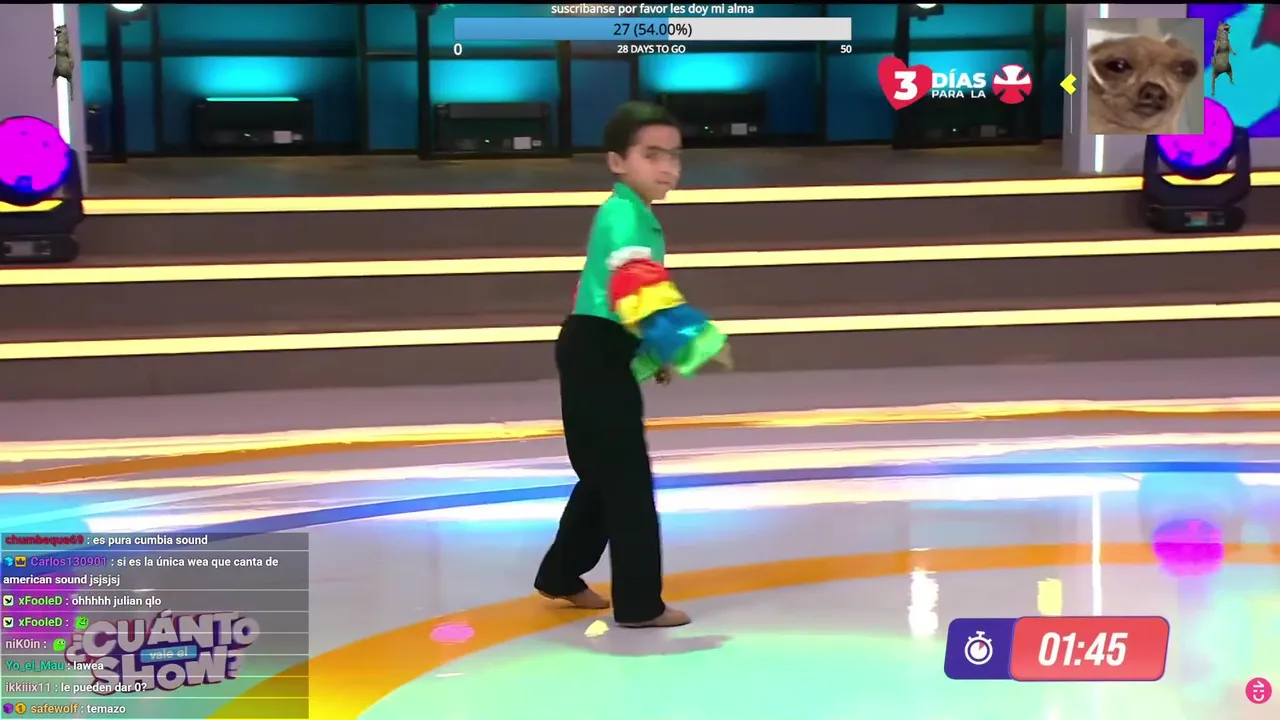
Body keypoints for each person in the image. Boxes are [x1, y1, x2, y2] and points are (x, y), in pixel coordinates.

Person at [533, 102, 731, 628]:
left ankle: (560, 574)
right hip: (596, 348)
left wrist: (652, 351)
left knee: (603, 474)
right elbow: (635, 284)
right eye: (653, 155)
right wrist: (690, 340)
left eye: (675, 156)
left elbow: (618, 296)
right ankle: (640, 604)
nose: (668, 167)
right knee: (625, 483)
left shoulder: (633, 213)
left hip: (601, 345)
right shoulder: (623, 214)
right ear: (617, 161)